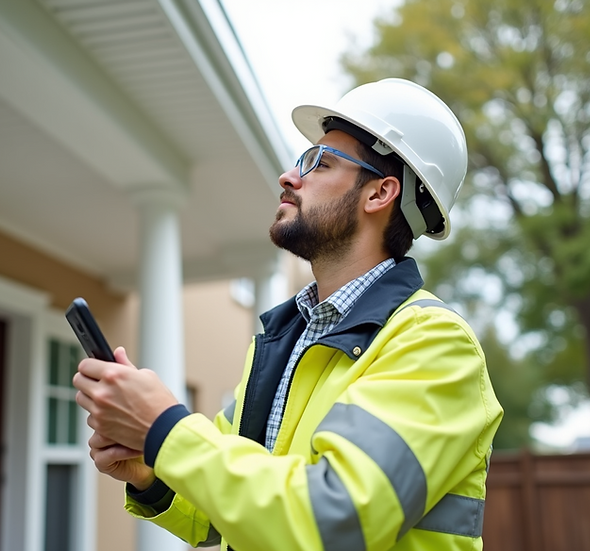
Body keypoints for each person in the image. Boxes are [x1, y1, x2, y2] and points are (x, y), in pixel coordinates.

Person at [73, 78, 504, 551]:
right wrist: (150, 472)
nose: (289, 176)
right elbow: (227, 512)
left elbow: (335, 519)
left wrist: (164, 429)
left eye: (319, 162)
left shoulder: (434, 345)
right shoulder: (285, 340)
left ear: (380, 194)